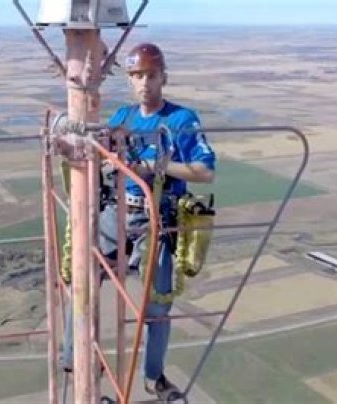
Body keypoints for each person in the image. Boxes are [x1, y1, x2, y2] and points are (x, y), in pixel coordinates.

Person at [62, 42, 216, 401]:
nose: (144, 82)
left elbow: (205, 171)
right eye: (137, 75)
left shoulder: (181, 121)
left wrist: (154, 167)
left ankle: (153, 377)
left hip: (156, 219)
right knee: (83, 279)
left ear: (163, 77)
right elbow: (103, 155)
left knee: (157, 306)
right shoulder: (123, 118)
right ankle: (75, 359)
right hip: (116, 212)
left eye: (151, 75)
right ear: (130, 80)